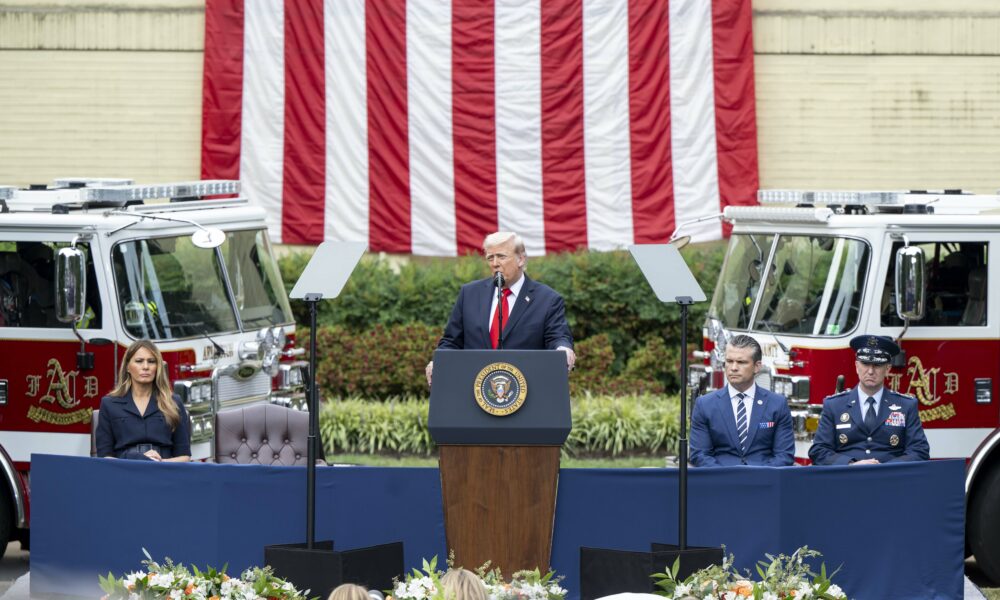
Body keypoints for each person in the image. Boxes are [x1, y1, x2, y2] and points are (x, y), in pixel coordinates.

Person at [425, 232, 575, 385]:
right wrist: (440, 361)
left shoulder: (547, 299)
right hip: (473, 389)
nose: (495, 263)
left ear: (521, 259)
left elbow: (557, 337)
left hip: (526, 390)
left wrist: (563, 350)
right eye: (490, 257)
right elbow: (451, 341)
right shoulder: (469, 294)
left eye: (502, 256)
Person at [809, 334, 930, 465]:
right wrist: (850, 465)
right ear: (856, 366)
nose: (871, 371)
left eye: (877, 365)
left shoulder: (906, 405)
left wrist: (884, 469)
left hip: (890, 480)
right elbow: (818, 451)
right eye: (865, 364)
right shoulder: (834, 405)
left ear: (887, 369)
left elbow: (919, 450)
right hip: (847, 479)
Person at [689, 334, 795, 466]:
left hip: (764, 482)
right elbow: (699, 454)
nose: (733, 368)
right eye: (729, 361)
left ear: (757, 366)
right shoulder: (705, 405)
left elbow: (784, 455)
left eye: (741, 362)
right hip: (721, 482)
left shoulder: (777, 404)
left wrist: (757, 479)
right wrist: (728, 479)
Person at [95, 339, 191, 461]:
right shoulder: (109, 404)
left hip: (163, 472)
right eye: (139, 361)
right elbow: (104, 457)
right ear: (127, 367)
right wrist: (135, 460)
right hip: (124, 472)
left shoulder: (174, 402)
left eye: (151, 362)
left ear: (158, 367)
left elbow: (184, 456)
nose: (145, 367)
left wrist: (160, 463)